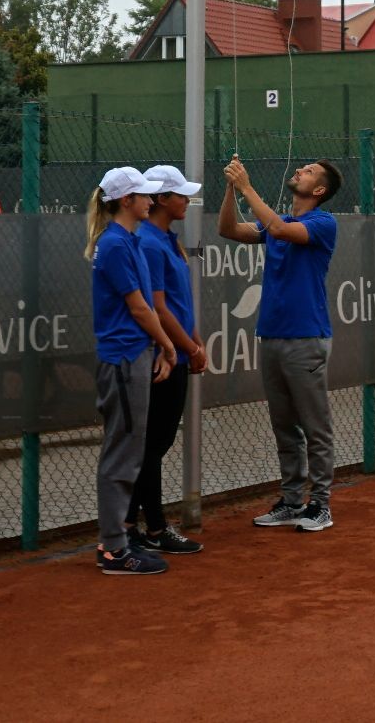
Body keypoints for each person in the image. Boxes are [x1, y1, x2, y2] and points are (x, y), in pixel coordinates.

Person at [219, 154, 342, 532]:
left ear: (318, 190)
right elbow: (228, 230)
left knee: (314, 427)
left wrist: (246, 187)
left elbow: (278, 229)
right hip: (271, 336)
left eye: (307, 172)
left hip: (306, 338)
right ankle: (291, 501)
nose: (299, 171)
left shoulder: (322, 223)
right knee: (284, 425)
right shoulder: (279, 223)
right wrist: (230, 189)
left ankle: (319, 504)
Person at [87, 166, 178, 575]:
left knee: (129, 449)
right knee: (122, 453)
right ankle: (112, 549)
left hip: (134, 354)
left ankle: (119, 541)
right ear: (126, 201)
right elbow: (139, 307)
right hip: (123, 358)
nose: (149, 199)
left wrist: (157, 345)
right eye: (143, 195)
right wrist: (167, 343)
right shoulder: (116, 244)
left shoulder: (130, 240)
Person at [127, 164, 211, 555]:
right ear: (161, 199)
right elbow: (157, 307)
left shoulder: (167, 238)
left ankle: (141, 528)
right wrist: (187, 348)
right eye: (180, 195)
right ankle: (153, 528)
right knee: (152, 446)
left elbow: (180, 301)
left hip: (177, 352)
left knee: (154, 445)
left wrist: (194, 342)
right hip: (164, 357)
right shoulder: (147, 241)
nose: (187, 201)